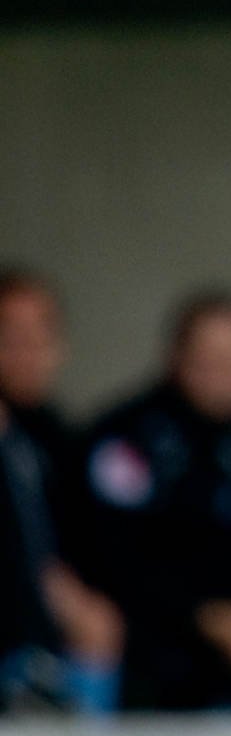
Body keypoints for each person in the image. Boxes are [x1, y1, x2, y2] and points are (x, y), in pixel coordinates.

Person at [65, 292, 231, 709]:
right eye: (212, 360)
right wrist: (212, 619)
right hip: (154, 624)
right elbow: (118, 561)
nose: (226, 374)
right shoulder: (126, 439)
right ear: (176, 355)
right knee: (162, 659)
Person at [0, 271, 124, 713]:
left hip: (52, 620)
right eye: (11, 337)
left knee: (100, 624)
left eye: (39, 337)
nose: (26, 353)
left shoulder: (60, 437)